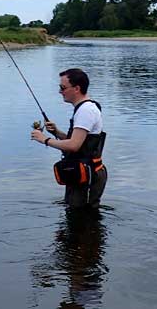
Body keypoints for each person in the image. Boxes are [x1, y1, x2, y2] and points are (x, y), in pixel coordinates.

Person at [31, 68, 107, 208]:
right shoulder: (86, 108)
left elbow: (74, 145)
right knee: (79, 219)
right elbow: (83, 142)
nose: (60, 91)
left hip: (87, 176)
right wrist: (57, 133)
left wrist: (44, 140)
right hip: (82, 173)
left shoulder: (86, 111)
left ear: (77, 88)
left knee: (82, 219)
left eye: (63, 87)